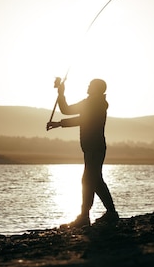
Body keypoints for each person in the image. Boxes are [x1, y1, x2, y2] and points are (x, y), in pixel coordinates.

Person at [47, 78, 119, 227]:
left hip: (95, 146)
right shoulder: (90, 102)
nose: (88, 86)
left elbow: (81, 120)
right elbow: (66, 109)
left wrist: (59, 124)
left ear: (97, 89)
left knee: (89, 180)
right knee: (95, 180)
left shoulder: (97, 103)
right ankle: (108, 214)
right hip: (91, 147)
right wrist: (61, 93)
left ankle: (86, 217)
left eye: (91, 85)